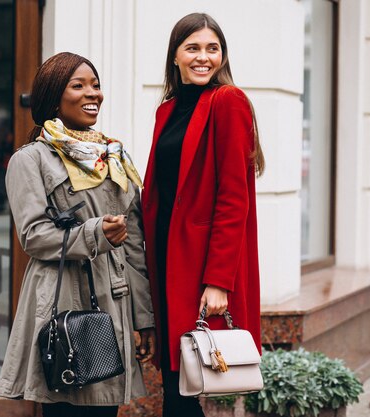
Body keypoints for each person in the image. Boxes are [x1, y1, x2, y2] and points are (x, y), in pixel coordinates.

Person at [0, 52, 156, 417]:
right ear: (54, 96)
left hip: (113, 301)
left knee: (104, 407)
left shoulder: (114, 156)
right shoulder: (30, 159)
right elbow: (34, 236)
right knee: (68, 405)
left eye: (96, 85)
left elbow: (133, 246)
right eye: (79, 85)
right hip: (64, 300)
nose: (93, 94)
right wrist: (96, 233)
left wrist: (143, 318)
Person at [140, 13, 265, 416]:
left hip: (200, 263)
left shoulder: (227, 102)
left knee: (188, 382)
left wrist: (218, 280)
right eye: (192, 47)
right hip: (166, 254)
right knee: (178, 379)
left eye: (213, 49)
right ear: (175, 56)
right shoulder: (168, 110)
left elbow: (234, 197)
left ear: (222, 56)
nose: (203, 57)